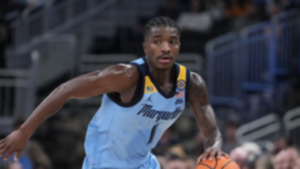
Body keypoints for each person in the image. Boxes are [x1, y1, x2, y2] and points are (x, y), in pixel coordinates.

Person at [0, 16, 227, 169]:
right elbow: (66, 89)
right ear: (145, 47)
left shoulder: (191, 84)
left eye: (172, 42)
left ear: (178, 46)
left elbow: (212, 132)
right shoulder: (126, 76)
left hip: (145, 163)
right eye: (157, 42)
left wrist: (215, 147)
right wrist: (24, 131)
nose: (166, 47)